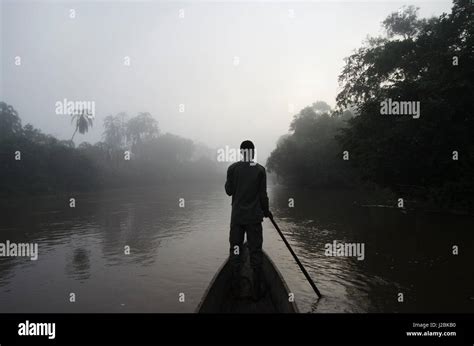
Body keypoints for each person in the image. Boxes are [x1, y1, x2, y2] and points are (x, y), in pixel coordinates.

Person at [225, 140, 272, 300]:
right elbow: (262, 196)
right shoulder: (260, 170)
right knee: (255, 252)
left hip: (237, 218)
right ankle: (257, 291)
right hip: (254, 218)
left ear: (241, 152)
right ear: (252, 153)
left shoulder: (232, 169)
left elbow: (228, 191)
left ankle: (234, 289)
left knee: (236, 251)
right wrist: (267, 211)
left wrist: (230, 179)